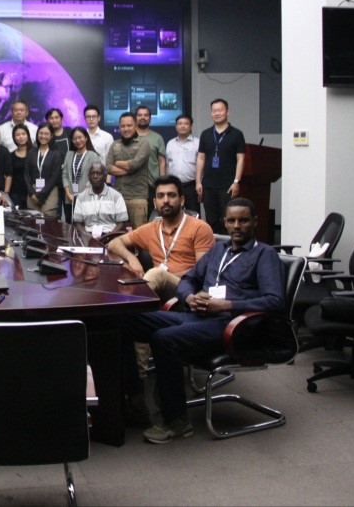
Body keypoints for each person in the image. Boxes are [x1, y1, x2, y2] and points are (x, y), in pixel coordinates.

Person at [122, 198, 284, 444]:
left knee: (164, 339)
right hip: (196, 315)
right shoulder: (218, 250)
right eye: (231, 220)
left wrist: (228, 305)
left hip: (230, 325)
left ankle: (177, 422)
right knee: (126, 319)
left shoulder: (264, 255)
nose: (236, 226)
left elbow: (274, 301)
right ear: (225, 223)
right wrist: (189, 296)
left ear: (255, 221)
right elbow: (189, 279)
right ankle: (134, 400)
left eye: (243, 220)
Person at [107, 175, 216, 301]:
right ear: (154, 203)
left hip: (188, 287)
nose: (166, 200)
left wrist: (165, 275)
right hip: (157, 286)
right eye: (160, 196)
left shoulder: (200, 228)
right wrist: (132, 259)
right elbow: (114, 243)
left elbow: (201, 272)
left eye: (171, 195)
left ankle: (129, 305)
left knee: (156, 274)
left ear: (182, 200)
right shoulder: (151, 228)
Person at [196, 98, 246, 234]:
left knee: (227, 219)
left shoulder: (237, 134)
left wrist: (236, 181)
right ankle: (213, 246)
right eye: (214, 111)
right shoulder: (206, 134)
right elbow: (201, 158)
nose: (217, 113)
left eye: (220, 110)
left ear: (227, 112)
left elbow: (241, 159)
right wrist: (198, 182)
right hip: (208, 185)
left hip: (228, 185)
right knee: (211, 220)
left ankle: (228, 245)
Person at [106, 112, 151, 227]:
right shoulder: (115, 145)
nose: (126, 129)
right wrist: (129, 170)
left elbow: (135, 164)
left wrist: (117, 163)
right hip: (117, 197)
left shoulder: (143, 143)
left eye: (129, 125)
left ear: (135, 125)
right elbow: (108, 167)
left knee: (139, 234)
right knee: (118, 233)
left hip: (137, 198)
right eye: (123, 126)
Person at [71, 162, 128, 237]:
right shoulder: (81, 198)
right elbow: (77, 223)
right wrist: (88, 237)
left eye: (99, 174)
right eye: (92, 173)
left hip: (110, 235)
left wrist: (109, 237)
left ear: (105, 177)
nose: (95, 176)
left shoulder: (116, 196)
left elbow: (122, 222)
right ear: (88, 177)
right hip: (88, 236)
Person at [135, 105, 167, 216]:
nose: (143, 117)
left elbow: (162, 162)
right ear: (135, 118)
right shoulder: (129, 137)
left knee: (154, 216)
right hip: (135, 185)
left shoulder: (157, 138)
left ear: (150, 118)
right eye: (140, 115)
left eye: (146, 115)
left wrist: (162, 182)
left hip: (153, 185)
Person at [165, 114, 200, 214]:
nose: (182, 126)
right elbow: (167, 164)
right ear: (176, 126)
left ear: (191, 126)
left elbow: (201, 164)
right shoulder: (170, 143)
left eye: (186, 123)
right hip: (173, 185)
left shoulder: (198, 143)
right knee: (173, 213)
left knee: (193, 214)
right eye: (180, 124)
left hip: (191, 185)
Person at [25, 125, 62, 217]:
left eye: (46, 134)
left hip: (50, 191)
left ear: (51, 135)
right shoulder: (31, 152)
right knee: (33, 220)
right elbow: (26, 174)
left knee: (47, 220)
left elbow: (54, 177)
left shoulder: (56, 154)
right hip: (33, 192)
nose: (43, 136)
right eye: (40, 133)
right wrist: (32, 193)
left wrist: (41, 195)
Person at [62, 126, 101, 210]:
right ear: (72, 141)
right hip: (70, 198)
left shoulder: (93, 156)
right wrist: (68, 194)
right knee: (69, 218)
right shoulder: (69, 154)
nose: (77, 140)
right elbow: (65, 175)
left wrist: (81, 195)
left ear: (86, 138)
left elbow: (95, 176)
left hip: (87, 198)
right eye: (75, 138)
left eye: (80, 137)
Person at [45, 108, 72, 222]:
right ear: (47, 120)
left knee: (70, 214)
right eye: (51, 118)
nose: (54, 120)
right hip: (53, 181)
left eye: (57, 117)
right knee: (55, 215)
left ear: (62, 118)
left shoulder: (69, 132)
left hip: (69, 180)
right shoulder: (46, 136)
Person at [8, 124, 31, 208]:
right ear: (14, 138)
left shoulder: (35, 153)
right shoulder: (10, 156)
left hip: (32, 194)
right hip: (15, 194)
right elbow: (9, 176)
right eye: (17, 135)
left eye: (23, 134)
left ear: (28, 135)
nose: (21, 137)